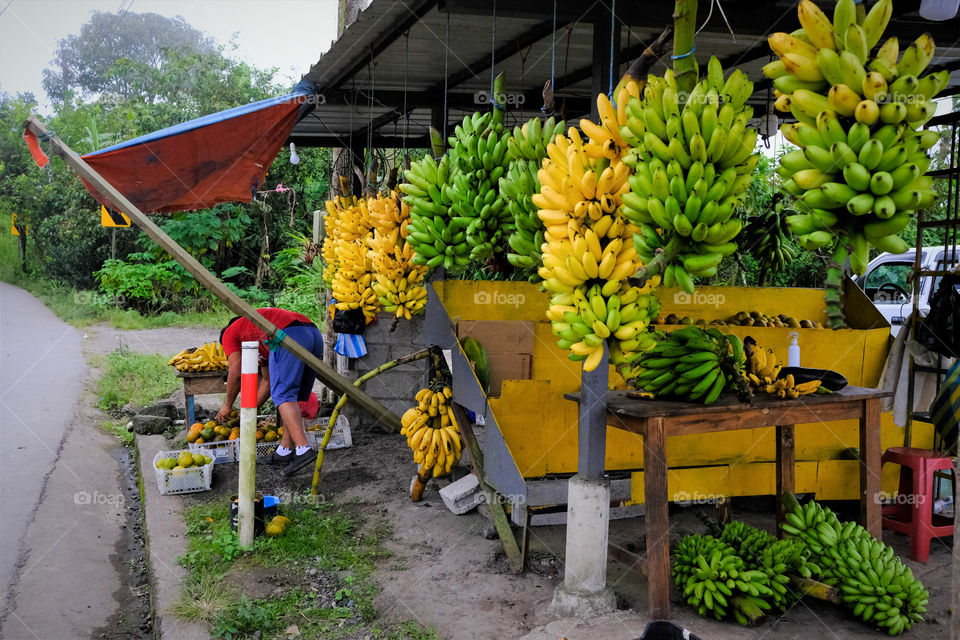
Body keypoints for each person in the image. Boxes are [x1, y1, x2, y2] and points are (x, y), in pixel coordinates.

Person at [216, 307, 324, 476]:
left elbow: (235, 372)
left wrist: (227, 406)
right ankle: (284, 450)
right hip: (312, 332)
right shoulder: (257, 333)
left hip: (287, 333)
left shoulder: (229, 333)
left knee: (283, 394)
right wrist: (247, 412)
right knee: (292, 396)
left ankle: (303, 449)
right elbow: (267, 382)